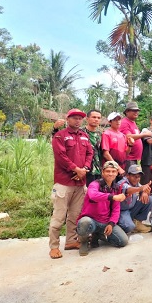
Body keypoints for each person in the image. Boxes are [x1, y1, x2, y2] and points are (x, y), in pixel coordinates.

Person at [49, 108, 93, 259]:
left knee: (74, 216)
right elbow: (60, 156)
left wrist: (85, 168)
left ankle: (70, 241)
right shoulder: (60, 136)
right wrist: (75, 169)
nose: (77, 120)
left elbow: (90, 153)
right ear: (68, 119)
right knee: (59, 217)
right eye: (74, 118)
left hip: (80, 183)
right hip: (64, 183)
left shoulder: (85, 136)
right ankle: (54, 246)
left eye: (80, 118)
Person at [76, 161, 128, 256]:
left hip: (105, 222)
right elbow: (92, 195)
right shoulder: (94, 184)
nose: (110, 173)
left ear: (117, 173)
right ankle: (84, 242)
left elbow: (116, 209)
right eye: (108, 171)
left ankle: (98, 236)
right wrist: (112, 197)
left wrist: (111, 223)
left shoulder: (115, 188)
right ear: (102, 172)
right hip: (91, 220)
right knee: (84, 222)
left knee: (123, 241)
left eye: (113, 171)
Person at [117, 164, 152, 234]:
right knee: (129, 227)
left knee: (149, 199)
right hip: (121, 211)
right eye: (134, 176)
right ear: (127, 175)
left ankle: (137, 222)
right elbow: (128, 190)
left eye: (138, 176)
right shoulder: (122, 183)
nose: (136, 178)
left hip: (132, 209)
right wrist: (141, 189)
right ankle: (120, 225)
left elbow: (143, 188)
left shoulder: (136, 183)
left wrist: (144, 192)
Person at [119, 102, 145, 167]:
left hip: (134, 159)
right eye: (134, 110)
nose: (136, 112)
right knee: (129, 177)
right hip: (129, 158)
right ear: (127, 112)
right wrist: (144, 134)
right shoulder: (124, 122)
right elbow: (128, 136)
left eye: (137, 111)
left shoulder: (133, 123)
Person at [82, 109, 103, 186]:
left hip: (97, 170)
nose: (96, 119)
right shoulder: (80, 132)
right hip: (84, 169)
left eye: (98, 118)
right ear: (87, 119)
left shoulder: (100, 134)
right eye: (94, 117)